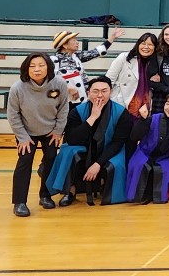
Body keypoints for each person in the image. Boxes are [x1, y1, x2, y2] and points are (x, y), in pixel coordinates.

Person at [47, 76, 132, 207]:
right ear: (88, 93)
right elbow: (72, 139)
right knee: (68, 151)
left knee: (117, 163)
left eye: (104, 91)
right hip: (84, 147)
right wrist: (92, 118)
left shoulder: (121, 113)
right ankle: (70, 190)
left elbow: (118, 142)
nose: (100, 95)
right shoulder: (77, 111)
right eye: (95, 91)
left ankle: (104, 186)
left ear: (111, 92)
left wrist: (98, 164)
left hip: (109, 149)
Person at [7, 52, 70, 217]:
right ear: (26, 69)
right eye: (32, 66)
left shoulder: (59, 84)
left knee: (51, 159)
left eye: (41, 65)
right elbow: (13, 115)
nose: (37, 69)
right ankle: (19, 202)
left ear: (48, 66)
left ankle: (45, 195)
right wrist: (22, 137)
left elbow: (64, 109)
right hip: (27, 132)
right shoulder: (17, 88)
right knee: (25, 161)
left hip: (50, 131)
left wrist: (57, 131)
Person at [125, 92, 169, 204]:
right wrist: (143, 120)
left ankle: (157, 197)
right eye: (168, 104)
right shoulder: (153, 118)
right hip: (144, 152)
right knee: (138, 165)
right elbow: (134, 136)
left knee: (166, 170)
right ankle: (136, 197)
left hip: (165, 157)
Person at [52, 28, 124, 103]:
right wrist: (68, 88)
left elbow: (96, 52)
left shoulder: (76, 56)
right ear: (64, 45)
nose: (77, 42)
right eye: (74, 40)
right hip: (66, 100)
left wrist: (112, 38)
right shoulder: (55, 60)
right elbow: (52, 80)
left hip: (82, 99)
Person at [107, 32, 160, 117]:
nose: (146, 47)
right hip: (120, 105)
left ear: (155, 48)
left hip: (144, 109)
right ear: (138, 44)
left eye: (150, 44)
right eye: (143, 43)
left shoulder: (155, 64)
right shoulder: (124, 58)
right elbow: (108, 80)